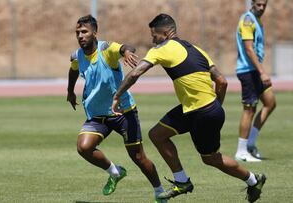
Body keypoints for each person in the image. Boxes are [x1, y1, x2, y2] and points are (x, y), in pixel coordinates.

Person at [112, 13, 266, 202]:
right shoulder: (197, 49)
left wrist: (117, 96)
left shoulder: (162, 49)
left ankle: (253, 179)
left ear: (166, 33)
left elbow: (135, 73)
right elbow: (222, 81)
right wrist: (216, 107)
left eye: (154, 36)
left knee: (211, 159)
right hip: (199, 109)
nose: (153, 41)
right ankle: (182, 180)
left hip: (201, 112)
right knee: (157, 135)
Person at [67, 15, 167, 203]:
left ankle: (160, 192)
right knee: (84, 147)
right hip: (97, 115)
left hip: (123, 112)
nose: (80, 36)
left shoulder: (106, 49)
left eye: (84, 32)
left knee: (138, 157)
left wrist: (127, 53)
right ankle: (115, 172)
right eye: (78, 33)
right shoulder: (77, 56)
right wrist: (70, 91)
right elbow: (73, 69)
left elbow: (124, 47)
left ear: (95, 33)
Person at [234, 0, 276, 162]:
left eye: (264, 5)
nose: (262, 8)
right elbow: (249, 49)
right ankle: (241, 151)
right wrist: (262, 72)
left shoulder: (257, 20)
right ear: (252, 3)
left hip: (255, 72)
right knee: (249, 109)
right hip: (248, 71)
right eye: (258, 4)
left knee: (270, 102)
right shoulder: (248, 20)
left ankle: (250, 144)